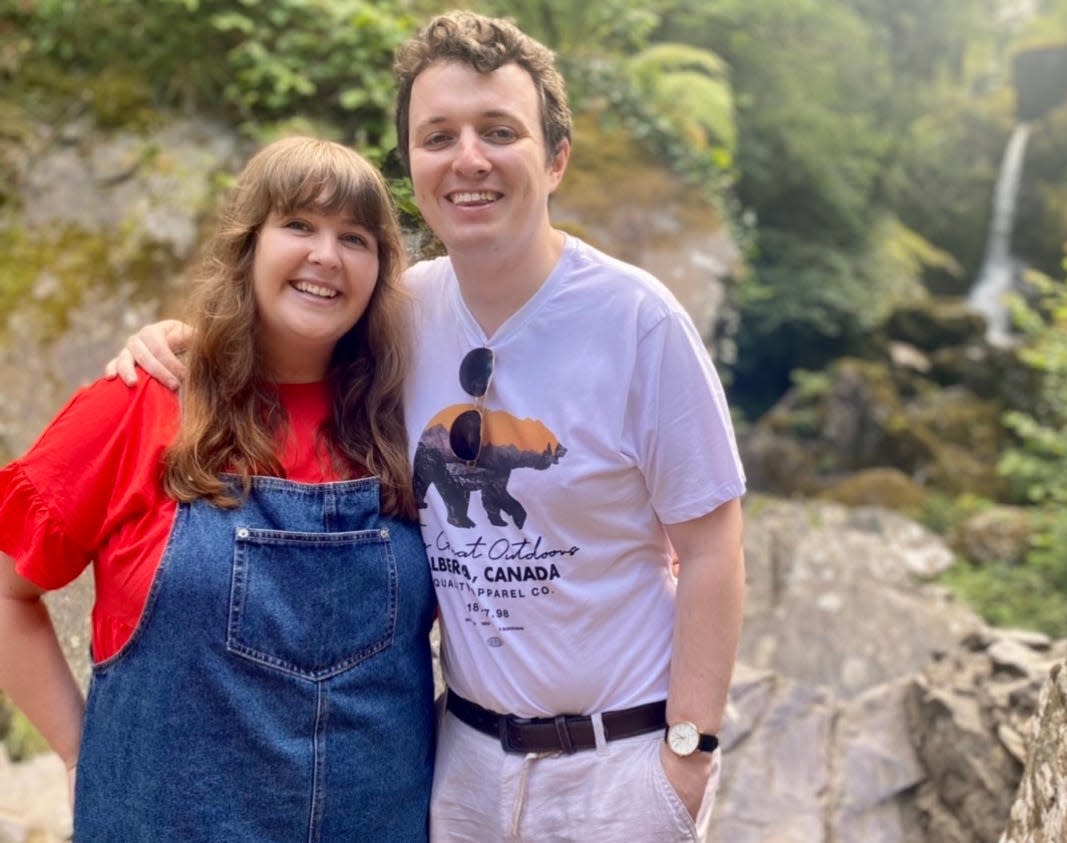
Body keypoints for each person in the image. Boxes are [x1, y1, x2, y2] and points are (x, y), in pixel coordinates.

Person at [107, 10, 747, 841]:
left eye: (498, 130)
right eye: (438, 135)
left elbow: (711, 546)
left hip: (616, 766)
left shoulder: (638, 321)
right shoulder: (395, 317)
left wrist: (687, 754)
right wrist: (180, 343)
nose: (468, 158)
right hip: (460, 764)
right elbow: (281, 347)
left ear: (555, 158)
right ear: (412, 164)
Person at [2, 136, 436, 841]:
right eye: (297, 225)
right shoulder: (144, 399)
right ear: (248, 245)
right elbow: (6, 588)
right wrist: (82, 750)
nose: (325, 254)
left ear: (380, 270)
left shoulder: (407, 420)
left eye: (354, 237)